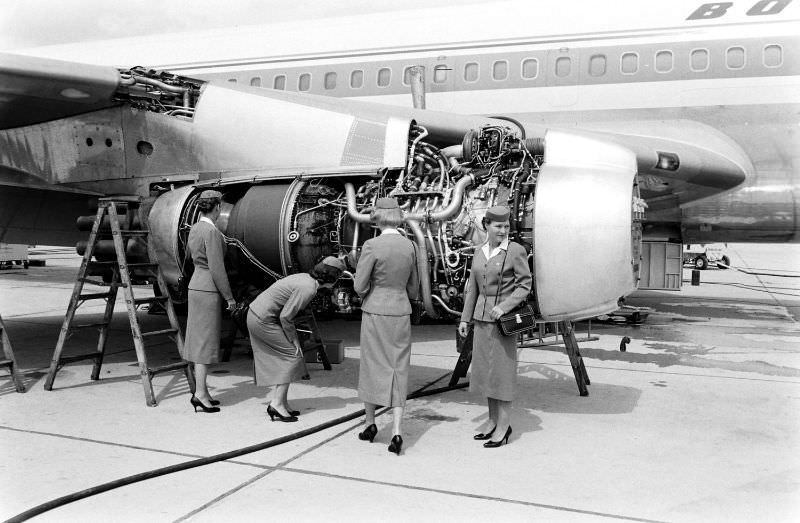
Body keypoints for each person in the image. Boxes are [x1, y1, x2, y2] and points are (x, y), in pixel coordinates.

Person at [458, 206, 532, 447]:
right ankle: (491, 421)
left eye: (506, 226)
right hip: (480, 321)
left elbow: (525, 285)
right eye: (498, 226)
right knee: (485, 374)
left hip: (502, 324)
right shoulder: (479, 252)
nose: (503, 231)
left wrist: (506, 306)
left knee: (502, 375)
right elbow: (473, 290)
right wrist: (464, 319)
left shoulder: (515, 251)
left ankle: (504, 425)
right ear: (486, 225)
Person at [354, 197, 419, 456]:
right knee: (398, 367)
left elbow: (359, 286)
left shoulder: (371, 245)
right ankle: (397, 430)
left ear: (378, 217)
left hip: (375, 311)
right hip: (401, 311)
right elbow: (414, 287)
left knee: (372, 365)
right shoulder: (410, 246)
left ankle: (370, 424)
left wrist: (371, 291)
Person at [247, 257, 345, 422]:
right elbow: (286, 316)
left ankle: (282, 403)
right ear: (331, 278)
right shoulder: (309, 289)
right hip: (262, 320)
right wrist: (294, 340)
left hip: (257, 314)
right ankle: (276, 404)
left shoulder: (305, 278)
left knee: (291, 356)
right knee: (293, 355)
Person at [184, 190, 236, 414]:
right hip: (208, 289)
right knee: (204, 343)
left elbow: (189, 257)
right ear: (216, 208)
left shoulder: (194, 228)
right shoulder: (212, 232)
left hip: (195, 285)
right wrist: (230, 298)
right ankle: (200, 394)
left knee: (198, 341)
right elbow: (217, 269)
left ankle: (202, 390)